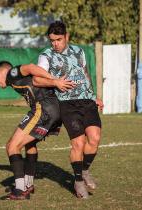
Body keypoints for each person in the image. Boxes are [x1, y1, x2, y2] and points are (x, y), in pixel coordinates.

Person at [37, 21, 104, 199]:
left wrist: (93, 95)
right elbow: (37, 80)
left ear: (66, 36)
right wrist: (55, 82)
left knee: (95, 138)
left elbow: (85, 73)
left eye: (58, 40)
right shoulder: (45, 56)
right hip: (67, 103)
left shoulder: (79, 51)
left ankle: (84, 170)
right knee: (78, 143)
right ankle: (78, 181)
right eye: (52, 40)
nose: (55, 44)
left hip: (87, 101)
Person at [0, 61, 75, 200]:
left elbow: (30, 67)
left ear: (3, 71)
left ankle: (20, 189)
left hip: (43, 109)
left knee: (12, 146)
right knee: (30, 145)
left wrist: (54, 80)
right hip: (53, 109)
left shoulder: (11, 74)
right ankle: (28, 184)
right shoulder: (14, 81)